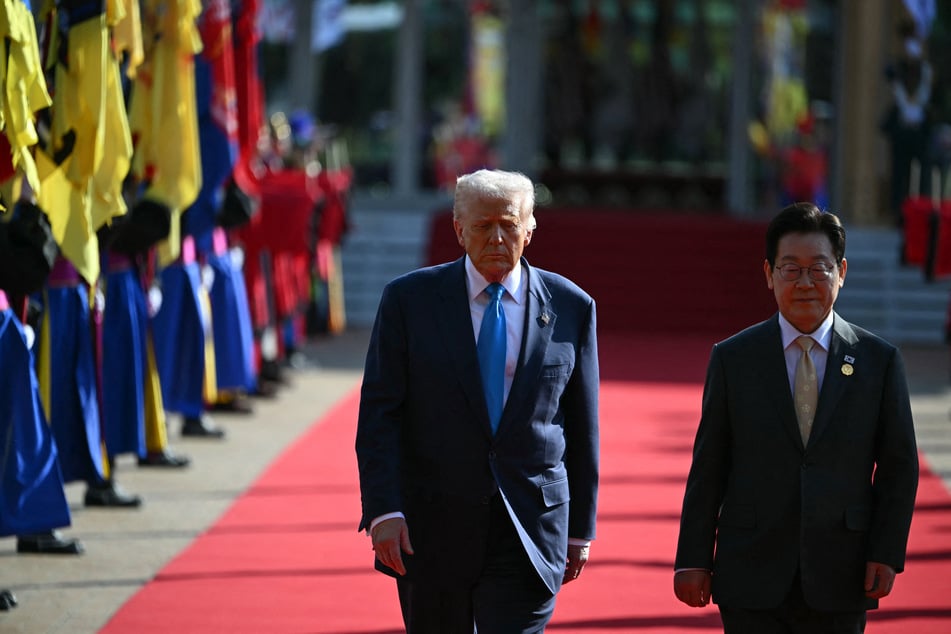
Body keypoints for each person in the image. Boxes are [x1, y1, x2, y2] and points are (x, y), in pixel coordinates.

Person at [355, 169, 600, 633]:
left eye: (509, 224)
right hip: (431, 527)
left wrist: (581, 529)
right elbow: (380, 415)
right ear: (458, 229)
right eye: (484, 225)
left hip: (530, 526)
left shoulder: (571, 306)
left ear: (530, 229)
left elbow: (583, 426)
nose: (497, 237)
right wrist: (384, 510)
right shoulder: (409, 301)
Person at [673, 202, 920, 632]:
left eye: (818, 269)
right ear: (768, 274)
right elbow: (710, 465)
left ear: (841, 272)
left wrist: (886, 551)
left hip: (842, 570)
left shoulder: (878, 361)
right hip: (750, 568)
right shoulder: (734, 358)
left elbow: (900, 466)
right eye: (791, 269)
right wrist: (693, 559)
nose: (805, 282)